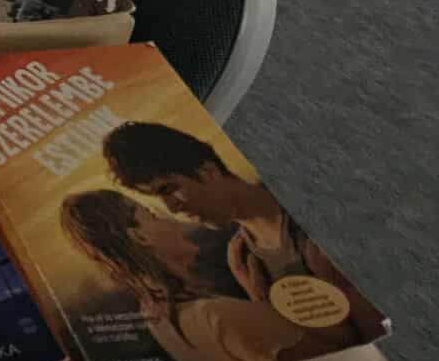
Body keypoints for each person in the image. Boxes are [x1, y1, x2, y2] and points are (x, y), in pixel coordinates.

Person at [101, 121, 385, 344]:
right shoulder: (241, 255)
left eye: (169, 188)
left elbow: (374, 339)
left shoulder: (305, 223)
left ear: (208, 171)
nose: (172, 208)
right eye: (157, 199)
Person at [59, 189, 334, 361]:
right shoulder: (217, 316)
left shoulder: (155, 315)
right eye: (151, 215)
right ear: (141, 237)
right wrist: (267, 302)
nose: (168, 219)